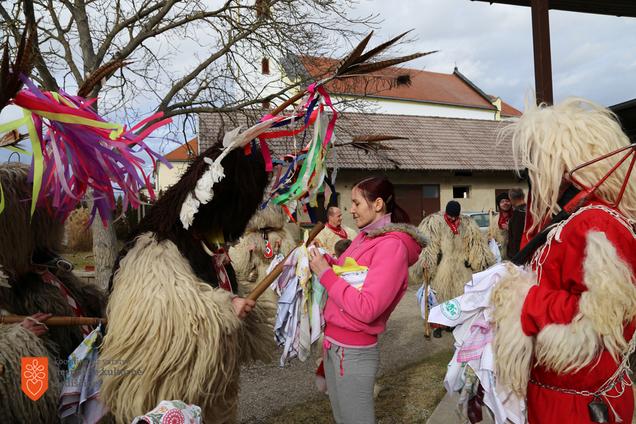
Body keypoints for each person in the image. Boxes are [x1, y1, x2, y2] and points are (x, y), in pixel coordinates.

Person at [102, 142, 275, 423]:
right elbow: (160, 313)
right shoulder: (155, 248)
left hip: (213, 386)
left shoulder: (208, 245)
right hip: (169, 397)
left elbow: (218, 288)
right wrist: (223, 308)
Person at [491, 98, 636, 423]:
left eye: (540, 157)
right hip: (555, 394)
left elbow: (599, 321)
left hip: (578, 405)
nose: (533, 169)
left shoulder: (595, 223)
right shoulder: (570, 218)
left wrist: (522, 300)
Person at [308, 176, 427, 424]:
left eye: (356, 203)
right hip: (334, 346)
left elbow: (367, 307)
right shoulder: (365, 237)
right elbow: (351, 274)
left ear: (378, 204)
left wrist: (326, 275)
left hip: (353, 353)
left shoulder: (391, 247)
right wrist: (328, 263)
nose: (350, 210)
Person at [412, 200, 495, 337]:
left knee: (459, 297)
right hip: (442, 268)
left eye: (455, 216)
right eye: (450, 216)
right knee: (439, 296)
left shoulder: (467, 223)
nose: (452, 219)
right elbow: (428, 244)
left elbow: (475, 242)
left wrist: (474, 260)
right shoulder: (435, 222)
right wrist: (429, 261)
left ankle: (454, 322)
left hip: (461, 267)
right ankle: (438, 325)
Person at [489, 192, 513, 259]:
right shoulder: (495, 219)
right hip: (499, 254)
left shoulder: (516, 216)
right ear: (499, 205)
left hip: (514, 253)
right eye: (502, 202)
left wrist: (510, 229)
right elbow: (491, 233)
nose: (505, 203)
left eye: (507, 201)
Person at [506, 187, 526, 259]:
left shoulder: (518, 214)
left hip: (519, 255)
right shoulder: (530, 211)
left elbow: (516, 238)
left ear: (512, 199)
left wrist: (514, 257)